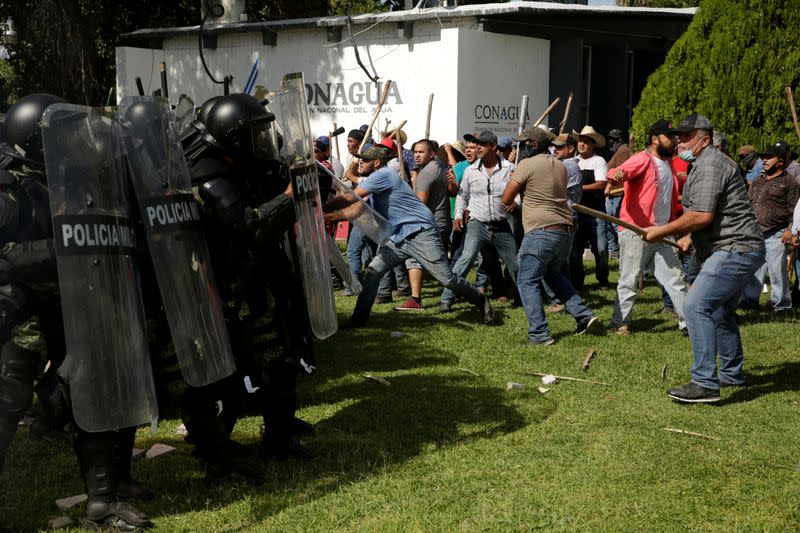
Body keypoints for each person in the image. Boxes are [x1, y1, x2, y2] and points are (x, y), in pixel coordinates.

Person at [644, 114, 765, 403]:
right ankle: (732, 373)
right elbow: (712, 214)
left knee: (695, 305)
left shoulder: (710, 163)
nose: (679, 141)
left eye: (686, 136)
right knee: (720, 310)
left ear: (705, 139)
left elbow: (701, 215)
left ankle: (704, 383)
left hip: (736, 248)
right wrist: (686, 237)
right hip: (736, 247)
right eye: (678, 136)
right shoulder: (703, 162)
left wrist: (661, 230)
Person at [324, 145, 494, 327]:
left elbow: (349, 198)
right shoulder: (373, 181)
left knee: (446, 279)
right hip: (398, 236)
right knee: (373, 273)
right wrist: (328, 217)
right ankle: (358, 320)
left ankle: (481, 301)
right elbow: (353, 211)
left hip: (420, 232)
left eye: (365, 160)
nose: (360, 162)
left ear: (377, 162)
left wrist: (321, 207)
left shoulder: (382, 175)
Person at [500, 127, 600, 345]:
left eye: (523, 144)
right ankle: (583, 316)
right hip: (564, 230)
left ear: (533, 145)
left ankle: (539, 334)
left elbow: (507, 197)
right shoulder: (561, 166)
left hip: (540, 230)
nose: (520, 148)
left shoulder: (527, 164)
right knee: (554, 276)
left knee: (526, 281)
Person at [606, 119, 688, 336]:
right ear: (654, 139)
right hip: (636, 232)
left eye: (675, 137)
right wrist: (616, 175)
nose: (674, 141)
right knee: (629, 279)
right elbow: (617, 172)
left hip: (662, 231)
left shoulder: (670, 164)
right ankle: (620, 322)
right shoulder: (641, 159)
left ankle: (689, 323)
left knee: (675, 279)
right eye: (669, 137)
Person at [440, 130, 518, 312]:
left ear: (493, 147)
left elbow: (519, 193)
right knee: (465, 259)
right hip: (477, 223)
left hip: (501, 225)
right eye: (477, 145)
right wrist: (458, 215)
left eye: (482, 145)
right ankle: (447, 298)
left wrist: (516, 203)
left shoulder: (509, 168)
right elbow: (462, 196)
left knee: (514, 263)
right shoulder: (470, 170)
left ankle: (522, 296)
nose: (478, 148)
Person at [740, 141, 800, 311]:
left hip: (777, 233)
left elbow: (794, 209)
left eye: (769, 157)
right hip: (754, 232)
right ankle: (749, 302)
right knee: (753, 270)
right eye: (764, 157)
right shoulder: (759, 180)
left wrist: (790, 230)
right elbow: (749, 202)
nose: (764, 160)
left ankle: (781, 305)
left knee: (777, 272)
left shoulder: (789, 182)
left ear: (780, 161)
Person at [395, 139, 452, 311]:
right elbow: (451, 191)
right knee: (441, 262)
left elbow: (420, 204)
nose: (416, 155)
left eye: (421, 152)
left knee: (415, 257)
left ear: (432, 153)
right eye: (415, 152)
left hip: (430, 223)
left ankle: (415, 299)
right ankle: (450, 295)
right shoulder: (440, 166)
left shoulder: (426, 173)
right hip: (442, 221)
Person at [571, 125, 610, 290]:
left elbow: (601, 184)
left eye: (586, 141)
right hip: (575, 212)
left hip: (595, 212)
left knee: (601, 248)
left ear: (593, 145)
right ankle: (577, 282)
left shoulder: (598, 161)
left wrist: (578, 188)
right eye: (581, 140)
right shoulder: (572, 161)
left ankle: (603, 278)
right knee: (575, 251)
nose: (582, 144)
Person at [604, 129, 631, 260]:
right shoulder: (619, 151)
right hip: (614, 194)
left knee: (615, 225)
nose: (610, 141)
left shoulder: (623, 151)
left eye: (613, 139)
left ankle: (622, 253)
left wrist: (609, 186)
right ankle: (614, 253)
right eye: (610, 139)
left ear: (620, 140)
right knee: (610, 224)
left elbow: (620, 174)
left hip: (617, 194)